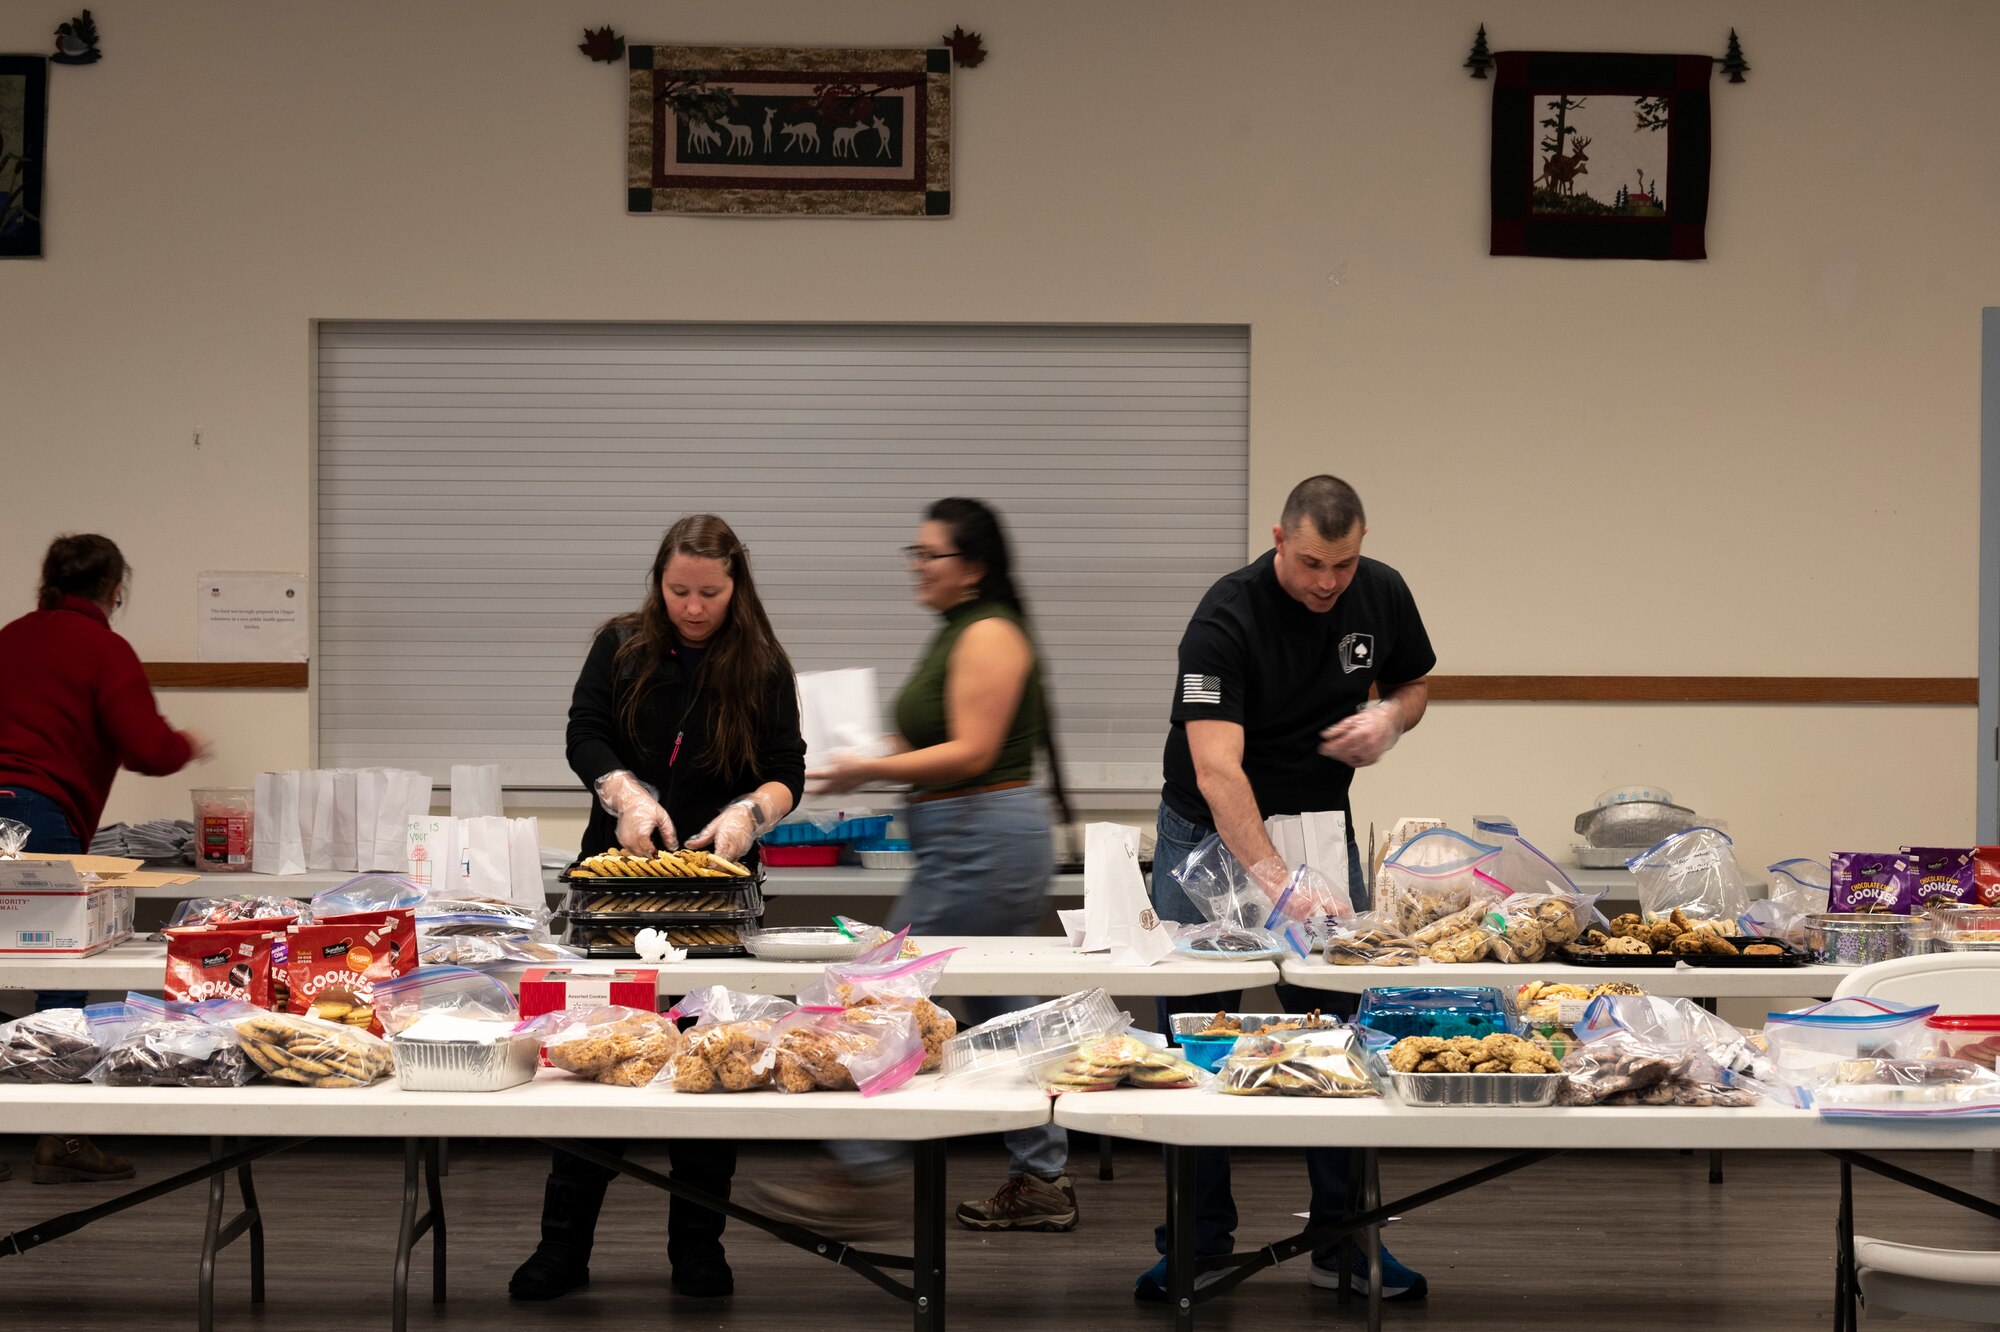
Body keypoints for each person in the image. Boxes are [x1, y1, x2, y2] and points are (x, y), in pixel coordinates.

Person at [1133, 475, 1435, 1303]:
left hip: (1316, 829)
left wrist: (1391, 721)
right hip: (1206, 838)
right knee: (1197, 1039)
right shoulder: (1225, 617)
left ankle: (1343, 1241)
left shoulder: (1380, 592)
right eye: (1310, 563)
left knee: (1342, 1037)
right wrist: (1275, 882)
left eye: (1343, 563)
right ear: (1278, 538)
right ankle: (1196, 1246)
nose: (1328, 581)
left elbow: (1413, 685)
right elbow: (1215, 769)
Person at [741, 498, 1077, 1236]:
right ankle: (1044, 1174)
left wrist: (872, 769)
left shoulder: (988, 633)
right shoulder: (958, 632)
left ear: (974, 567)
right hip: (971, 836)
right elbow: (931, 734)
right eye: (915, 553)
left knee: (886, 992)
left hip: (982, 838)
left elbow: (973, 751)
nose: (918, 568)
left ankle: (853, 1172)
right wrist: (857, 755)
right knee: (995, 1005)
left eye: (933, 555)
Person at [509, 514, 806, 1302]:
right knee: (597, 1062)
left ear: (736, 585)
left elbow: (788, 769)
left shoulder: (764, 663)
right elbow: (585, 734)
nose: (694, 606)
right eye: (679, 590)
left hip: (718, 896)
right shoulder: (622, 644)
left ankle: (698, 1249)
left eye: (710, 592)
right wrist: (623, 791)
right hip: (615, 889)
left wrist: (751, 813)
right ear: (658, 582)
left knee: (709, 1062)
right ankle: (562, 1248)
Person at [0, 533, 209, 1185]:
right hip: (37, 816)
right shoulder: (103, 647)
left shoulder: (10, 636)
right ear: (115, 589)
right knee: (59, 978)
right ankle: (58, 1139)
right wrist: (185, 745)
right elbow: (147, 745)